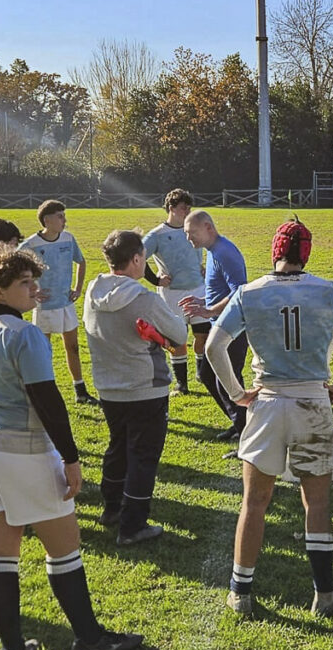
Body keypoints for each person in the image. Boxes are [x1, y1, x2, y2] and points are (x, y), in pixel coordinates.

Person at [0, 246, 143, 650]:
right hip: (23, 450)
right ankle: (90, 639)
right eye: (24, 283)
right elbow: (47, 399)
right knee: (64, 549)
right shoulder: (23, 334)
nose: (35, 289)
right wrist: (71, 459)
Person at [209, 219, 333, 618]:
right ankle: (324, 595)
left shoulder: (248, 293)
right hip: (312, 402)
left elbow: (215, 346)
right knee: (316, 504)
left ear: (274, 251)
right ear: (306, 253)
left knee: (254, 502)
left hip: (267, 402)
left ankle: (241, 592)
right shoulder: (326, 289)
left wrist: (237, 394)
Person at [84, 230, 188, 544]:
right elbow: (180, 335)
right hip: (145, 387)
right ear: (136, 259)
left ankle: (112, 507)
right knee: (143, 455)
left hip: (108, 386)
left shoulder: (93, 290)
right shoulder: (143, 298)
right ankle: (133, 525)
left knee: (118, 446)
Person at [180, 210, 250, 454]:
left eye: (192, 233)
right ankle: (239, 423)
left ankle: (247, 437)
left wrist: (209, 310)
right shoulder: (212, 252)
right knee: (208, 376)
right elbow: (221, 290)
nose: (190, 239)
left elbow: (239, 291)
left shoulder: (224, 252)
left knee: (226, 382)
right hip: (220, 326)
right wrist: (203, 302)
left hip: (234, 329)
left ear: (208, 227)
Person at [19, 200, 99, 406]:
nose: (65, 220)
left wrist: (78, 288)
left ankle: (80, 390)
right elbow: (14, 272)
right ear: (47, 220)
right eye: (60, 216)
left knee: (72, 347)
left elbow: (81, 262)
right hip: (44, 307)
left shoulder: (68, 239)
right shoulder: (30, 245)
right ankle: (45, 392)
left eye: (64, 215)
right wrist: (31, 293)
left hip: (66, 304)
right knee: (44, 351)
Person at [142, 188, 208, 395]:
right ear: (171, 208)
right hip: (173, 295)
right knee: (178, 339)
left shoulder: (194, 229)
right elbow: (138, 257)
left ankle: (202, 373)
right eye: (183, 208)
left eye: (189, 207)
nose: (187, 211)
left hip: (199, 290)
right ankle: (182, 384)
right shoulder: (157, 235)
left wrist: (202, 267)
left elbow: (201, 252)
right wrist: (156, 279)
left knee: (203, 335)